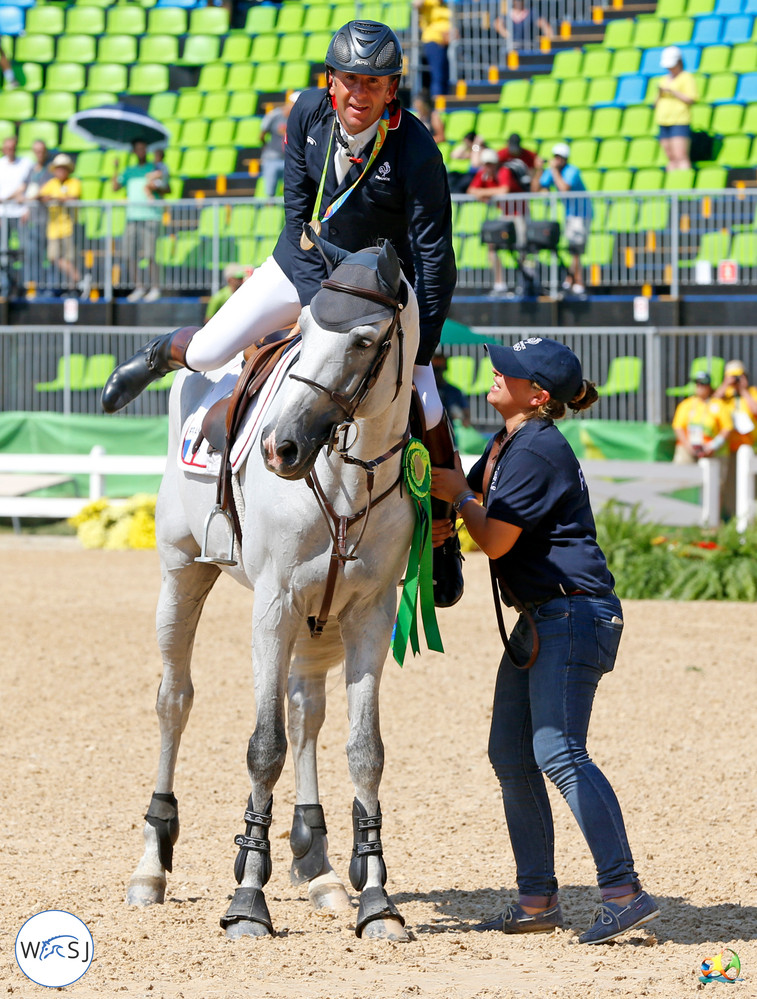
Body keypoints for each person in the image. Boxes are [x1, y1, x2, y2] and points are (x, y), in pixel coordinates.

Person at [102, 20, 462, 607]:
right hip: (305, 269)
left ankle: (443, 543)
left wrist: (419, 346)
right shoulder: (307, 114)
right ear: (331, 80)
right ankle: (162, 352)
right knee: (209, 353)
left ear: (392, 89)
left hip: (381, 295)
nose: (359, 93)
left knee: (427, 399)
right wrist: (319, 304)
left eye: (374, 82)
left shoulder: (417, 150)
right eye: (349, 79)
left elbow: (434, 258)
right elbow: (296, 215)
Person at [430, 336, 659, 944]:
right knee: (511, 754)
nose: (496, 371)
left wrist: (461, 496)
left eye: (511, 370)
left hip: (572, 615)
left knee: (559, 752)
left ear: (537, 395)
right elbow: (460, 501)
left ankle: (624, 891)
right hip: (543, 616)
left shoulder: (536, 448)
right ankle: (537, 902)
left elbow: (496, 538)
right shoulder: (509, 440)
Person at [112, 139, 167, 303]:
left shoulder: (154, 168)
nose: (141, 151)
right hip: (132, 217)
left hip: (150, 216)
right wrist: (115, 168)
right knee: (129, 254)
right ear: (134, 152)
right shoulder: (128, 171)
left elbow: (166, 188)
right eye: (138, 149)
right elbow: (115, 187)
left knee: (150, 255)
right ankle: (139, 286)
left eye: (143, 148)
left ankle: (155, 287)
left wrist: (156, 186)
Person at [532, 142, 591, 296]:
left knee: (576, 249)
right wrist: (539, 170)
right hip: (570, 214)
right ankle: (571, 280)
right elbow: (536, 189)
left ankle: (576, 282)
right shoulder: (554, 171)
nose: (556, 160)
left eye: (559, 157)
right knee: (573, 248)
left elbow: (564, 189)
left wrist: (553, 170)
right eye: (555, 157)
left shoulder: (572, 171)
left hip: (581, 213)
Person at [469, 147, 529, 297]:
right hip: (505, 215)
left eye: (491, 164)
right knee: (493, 245)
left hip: (518, 214)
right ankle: (499, 284)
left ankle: (524, 283)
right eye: (486, 164)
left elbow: (504, 190)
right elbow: (471, 190)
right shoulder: (483, 174)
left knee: (521, 247)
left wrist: (483, 193)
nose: (488, 167)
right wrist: (486, 193)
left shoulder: (504, 172)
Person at [38, 153, 91, 299]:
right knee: (54, 257)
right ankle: (79, 278)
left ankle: (73, 289)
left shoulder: (74, 182)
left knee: (70, 258)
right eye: (58, 168)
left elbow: (73, 197)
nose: (60, 171)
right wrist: (42, 198)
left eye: (63, 168)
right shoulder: (52, 183)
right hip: (54, 229)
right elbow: (39, 194)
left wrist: (56, 198)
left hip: (69, 227)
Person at [712, 360, 757, 519]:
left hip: (748, 447)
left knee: (750, 485)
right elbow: (711, 405)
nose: (735, 380)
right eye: (732, 376)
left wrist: (743, 391)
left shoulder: (752, 392)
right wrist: (726, 385)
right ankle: (729, 518)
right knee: (729, 486)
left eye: (738, 376)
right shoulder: (725, 396)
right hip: (728, 448)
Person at [672, 371, 731, 465]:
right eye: (698, 383)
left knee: (712, 476)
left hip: (711, 449)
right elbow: (678, 426)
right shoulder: (686, 404)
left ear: (709, 386)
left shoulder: (718, 404)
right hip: (689, 447)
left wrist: (713, 446)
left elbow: (727, 428)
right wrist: (688, 446)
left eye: (703, 384)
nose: (700, 387)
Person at [654, 46, 698, 172]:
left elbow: (691, 99)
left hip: (679, 121)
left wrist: (673, 92)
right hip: (663, 121)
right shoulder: (663, 80)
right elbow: (655, 103)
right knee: (671, 158)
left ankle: (685, 187)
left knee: (681, 156)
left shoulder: (686, 77)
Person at [0, 135, 32, 298]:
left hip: (19, 213)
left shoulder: (25, 163)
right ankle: (4, 286)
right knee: (2, 252)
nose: (10, 150)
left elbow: (25, 187)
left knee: (25, 250)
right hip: (2, 214)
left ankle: (25, 285)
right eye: (8, 147)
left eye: (13, 147)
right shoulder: (0, 164)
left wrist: (25, 207)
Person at [20, 139, 53, 294]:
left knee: (51, 257)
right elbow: (25, 189)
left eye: (41, 150)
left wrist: (31, 198)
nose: (39, 154)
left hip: (49, 220)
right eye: (36, 151)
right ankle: (36, 287)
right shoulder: (32, 170)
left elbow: (47, 194)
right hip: (34, 220)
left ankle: (50, 288)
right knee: (34, 255)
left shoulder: (50, 170)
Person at [259, 91, 300, 198]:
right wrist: (267, 147)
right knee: (270, 190)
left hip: (290, 159)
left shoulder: (298, 118)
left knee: (292, 190)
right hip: (272, 158)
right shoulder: (274, 115)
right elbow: (262, 134)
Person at [412, 0, 451, 98]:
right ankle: (437, 104)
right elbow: (416, 4)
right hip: (433, 40)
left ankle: (445, 103)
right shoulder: (429, 2)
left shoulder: (446, 4)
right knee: (438, 75)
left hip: (448, 41)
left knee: (447, 76)